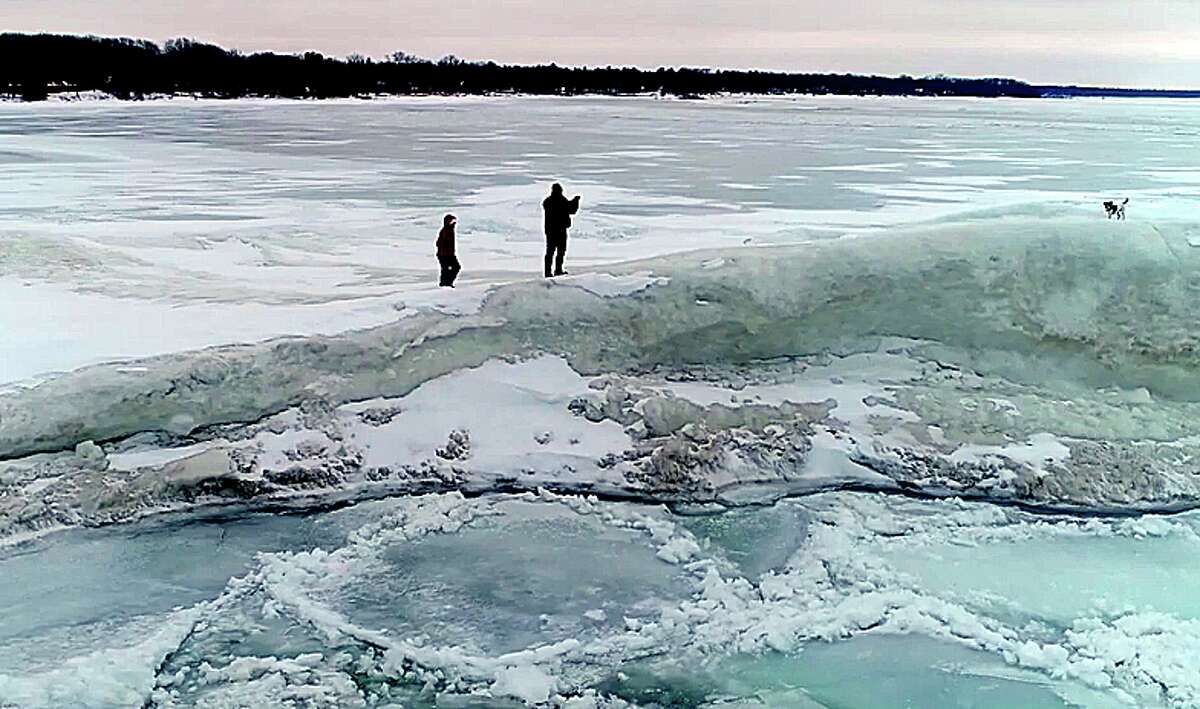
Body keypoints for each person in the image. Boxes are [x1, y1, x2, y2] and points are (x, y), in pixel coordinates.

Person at [542, 183, 580, 277]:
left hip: (550, 231)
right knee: (560, 251)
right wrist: (576, 201)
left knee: (550, 251)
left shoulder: (548, 201)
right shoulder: (561, 200)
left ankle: (548, 272)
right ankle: (558, 270)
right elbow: (571, 210)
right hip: (560, 230)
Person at [436, 213, 460, 287]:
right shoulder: (446, 230)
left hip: (449, 254)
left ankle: (447, 283)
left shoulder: (450, 230)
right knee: (447, 269)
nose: (454, 223)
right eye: (452, 221)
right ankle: (445, 283)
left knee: (453, 268)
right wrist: (444, 252)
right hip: (445, 254)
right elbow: (439, 242)